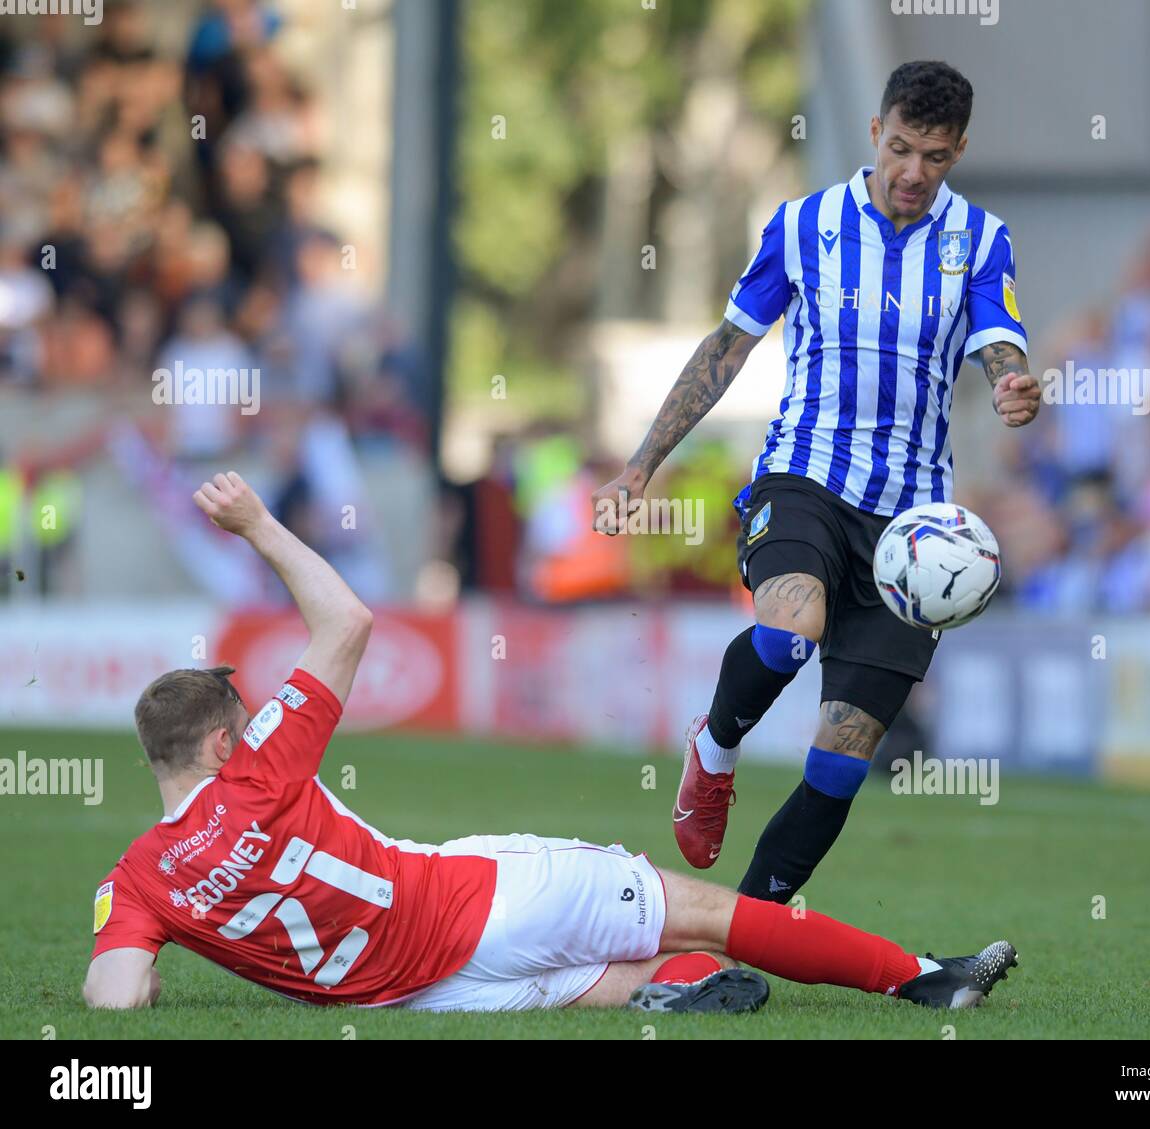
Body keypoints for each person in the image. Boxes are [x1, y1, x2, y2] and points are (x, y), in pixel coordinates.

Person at [83, 472, 1017, 1015]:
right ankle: (922, 978)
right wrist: (256, 525)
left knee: (604, 975)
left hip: (407, 996)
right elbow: (348, 619)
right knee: (698, 905)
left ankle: (670, 991)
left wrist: (164, 955)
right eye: (238, 729)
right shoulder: (257, 770)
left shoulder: (135, 879)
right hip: (470, 901)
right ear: (218, 743)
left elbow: (116, 996)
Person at [592, 60, 1042, 901]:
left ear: (959, 152)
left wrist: (1014, 382)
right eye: (901, 148)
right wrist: (641, 465)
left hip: (912, 529)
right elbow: (727, 347)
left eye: (935, 157)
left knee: (840, 762)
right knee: (791, 625)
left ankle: (744, 930)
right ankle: (714, 751)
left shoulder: (981, 240)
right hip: (803, 475)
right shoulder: (804, 224)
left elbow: (999, 342)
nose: (913, 173)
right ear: (875, 131)